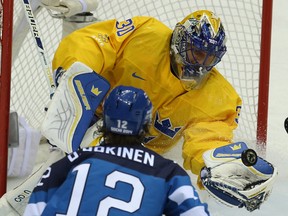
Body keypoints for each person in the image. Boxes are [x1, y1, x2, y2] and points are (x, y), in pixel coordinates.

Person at [23, 85, 210, 216]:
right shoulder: (167, 172)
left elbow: (34, 210)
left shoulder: (71, 162)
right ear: (146, 123)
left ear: (105, 120)